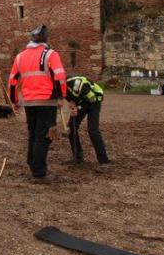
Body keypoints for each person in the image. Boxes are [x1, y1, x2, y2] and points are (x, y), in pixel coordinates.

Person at [8, 25, 67, 183]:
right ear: (45, 39)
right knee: (45, 135)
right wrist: (61, 96)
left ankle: (33, 164)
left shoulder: (20, 57)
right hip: (47, 101)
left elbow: (12, 81)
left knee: (33, 134)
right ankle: (39, 172)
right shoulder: (51, 54)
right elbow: (60, 77)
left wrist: (14, 100)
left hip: (29, 102)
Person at [65, 75, 110, 166]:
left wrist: (78, 108)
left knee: (92, 130)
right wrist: (72, 104)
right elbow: (71, 99)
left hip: (94, 99)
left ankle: (104, 160)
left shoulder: (76, 84)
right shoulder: (59, 88)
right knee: (71, 128)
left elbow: (91, 99)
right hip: (83, 101)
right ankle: (78, 158)